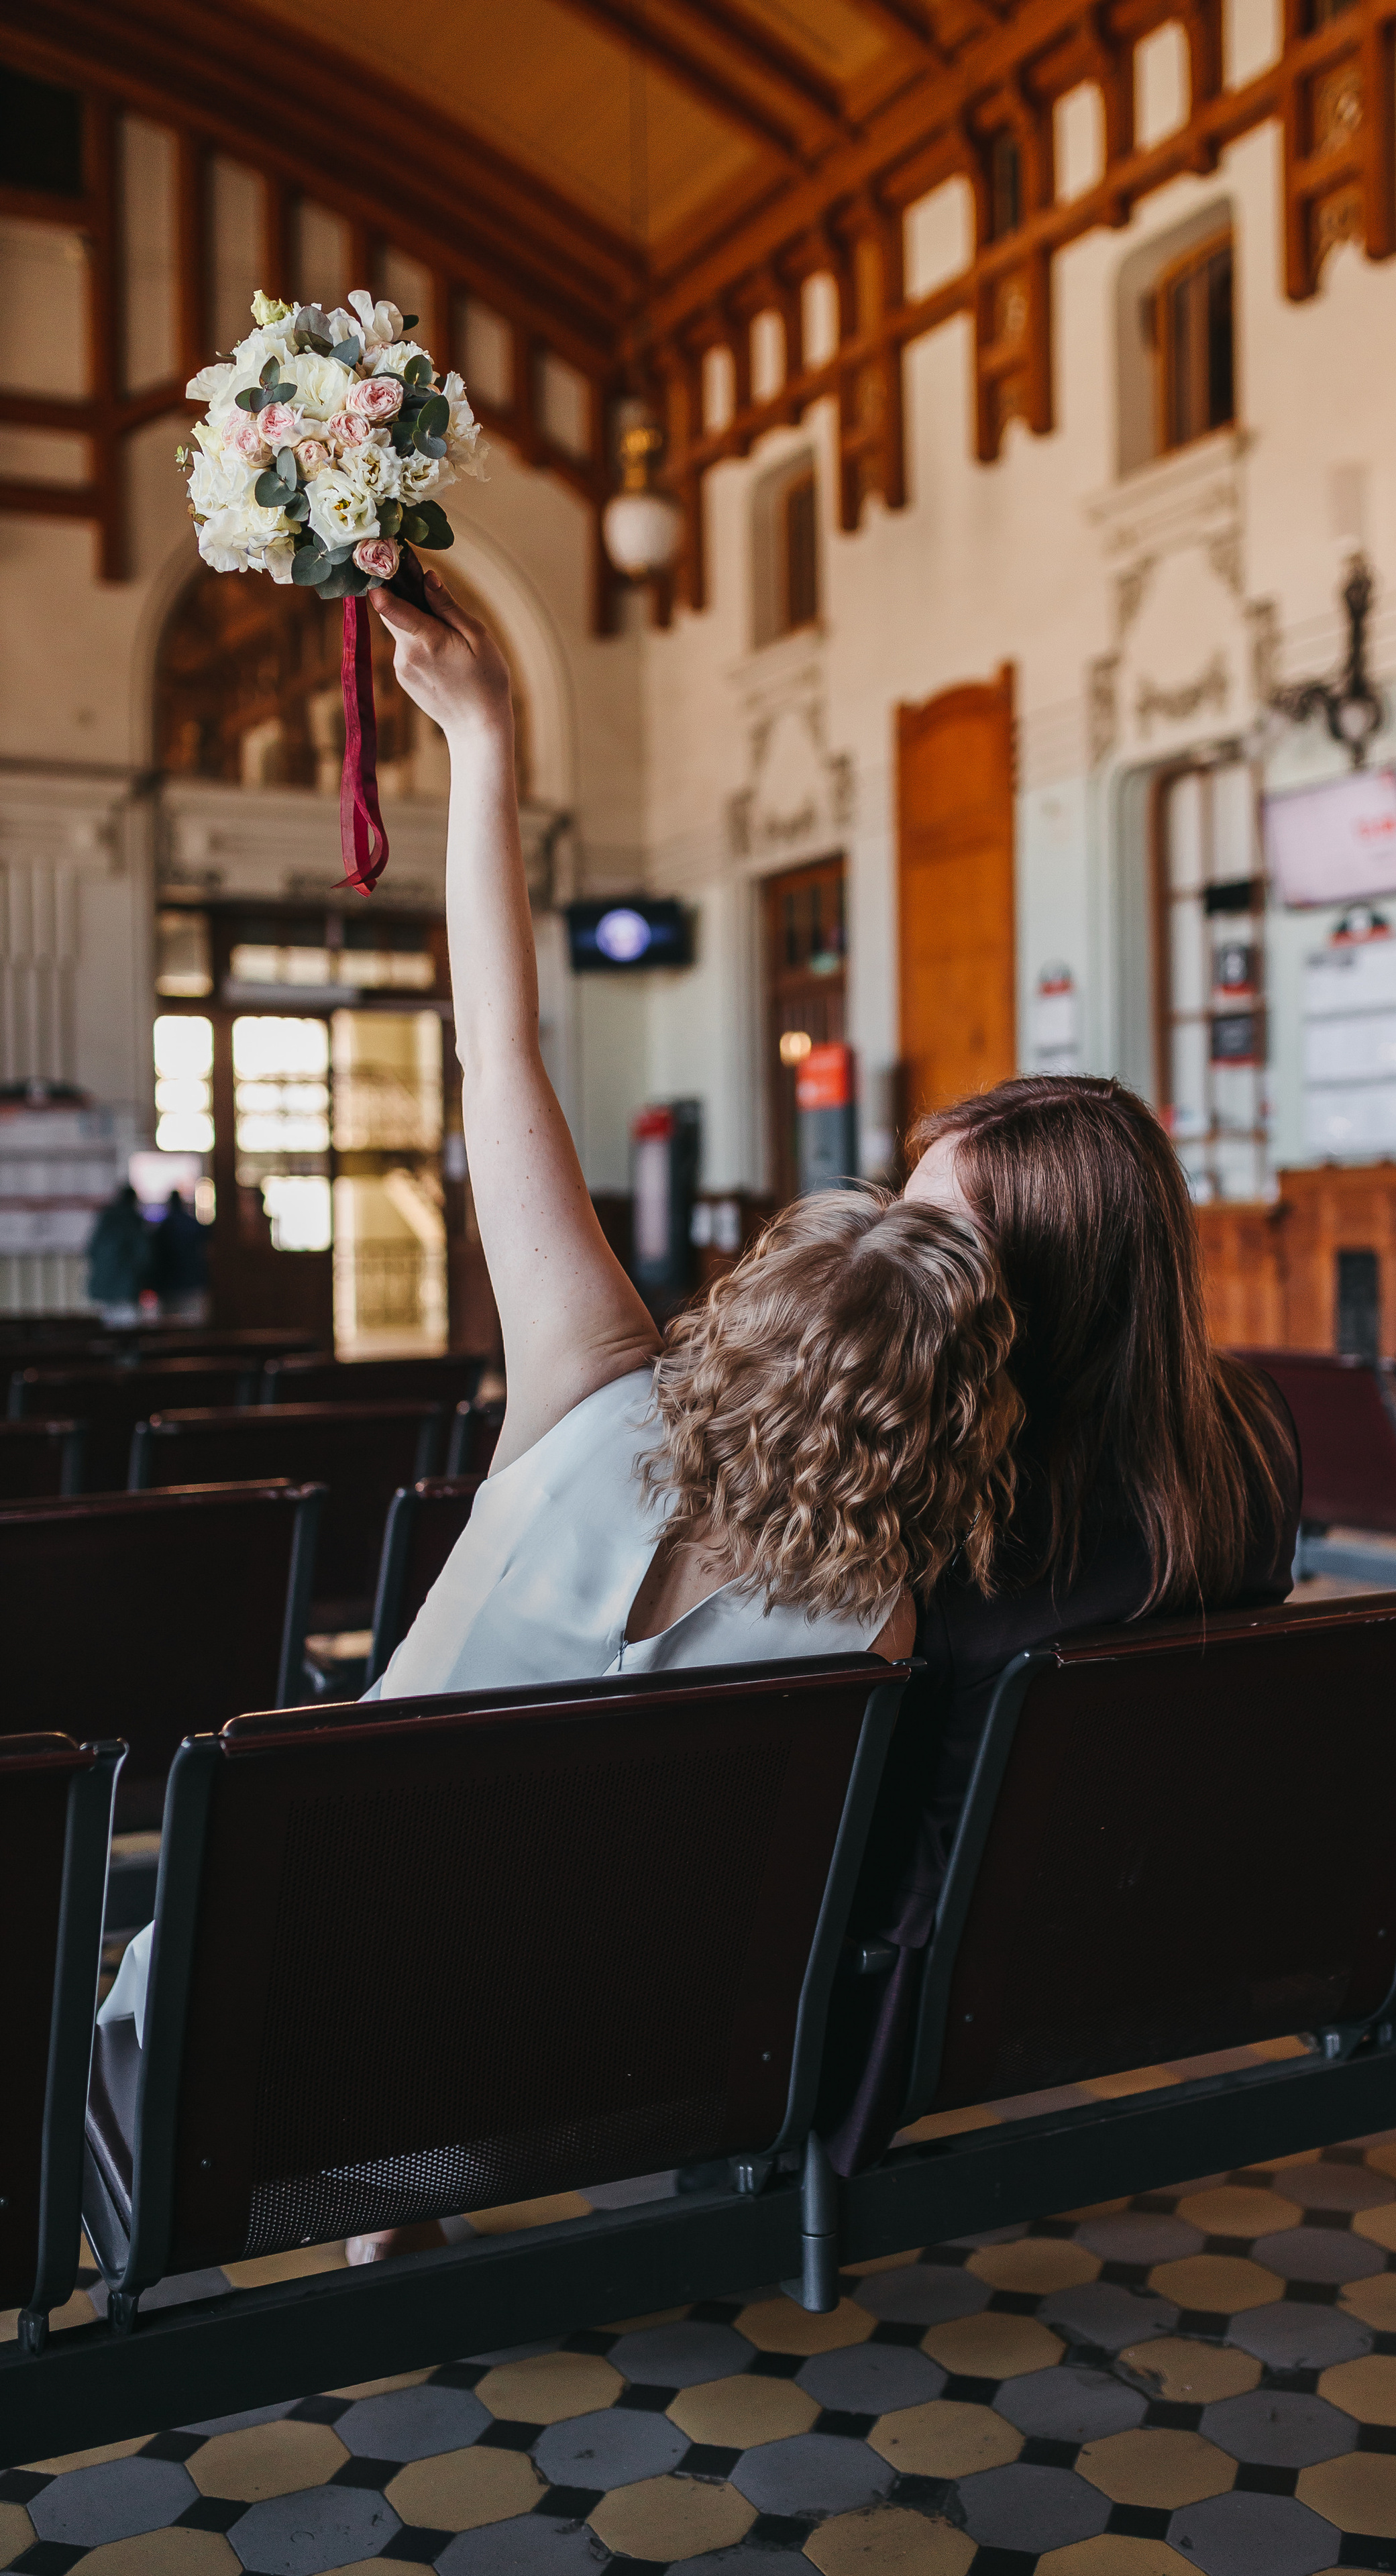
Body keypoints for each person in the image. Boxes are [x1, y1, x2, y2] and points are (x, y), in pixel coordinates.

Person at [97, 569, 1024, 2259]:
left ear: (744, 1298)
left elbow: (494, 1048)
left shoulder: (589, 1379)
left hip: (250, 2071)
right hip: (584, 2087)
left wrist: (485, 737)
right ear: (947, 1412)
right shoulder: (878, 1618)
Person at [823, 1073, 1302, 2170]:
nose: (887, 1258)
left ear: (1035, 1284)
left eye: (928, 1232)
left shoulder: (933, 1484)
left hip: (892, 2004)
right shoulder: (1250, 1437)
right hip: (1155, 1941)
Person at [86, 1181, 152, 1323]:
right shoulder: (133, 1221)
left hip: (103, 1286)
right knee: (127, 1332)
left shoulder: (105, 1219)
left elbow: (91, 1250)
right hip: (126, 1287)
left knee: (108, 1330)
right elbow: (143, 1255)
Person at [148, 1187, 210, 1323]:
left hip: (169, 1285)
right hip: (192, 1282)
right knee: (194, 1326)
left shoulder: (163, 1228)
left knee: (169, 1326)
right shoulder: (193, 1225)